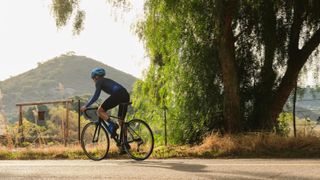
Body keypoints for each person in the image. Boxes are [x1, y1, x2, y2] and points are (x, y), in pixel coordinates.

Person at [80, 67, 130, 138]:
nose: (93, 80)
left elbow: (96, 96)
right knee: (121, 121)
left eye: (93, 78)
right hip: (125, 94)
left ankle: (113, 124)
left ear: (96, 77)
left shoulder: (99, 81)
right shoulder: (106, 80)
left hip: (118, 94)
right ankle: (125, 144)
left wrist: (86, 106)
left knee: (100, 111)